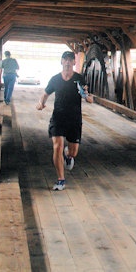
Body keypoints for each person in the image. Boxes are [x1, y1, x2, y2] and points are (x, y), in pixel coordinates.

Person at [36, 51, 93, 191]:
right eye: (65, 60)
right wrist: (41, 104)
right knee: (57, 147)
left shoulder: (80, 79)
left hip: (74, 119)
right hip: (58, 117)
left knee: (73, 152)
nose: (67, 62)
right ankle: (61, 180)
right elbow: (46, 93)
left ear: (74, 62)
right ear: (61, 62)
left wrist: (87, 97)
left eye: (70, 60)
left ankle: (69, 156)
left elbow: (89, 97)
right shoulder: (55, 79)